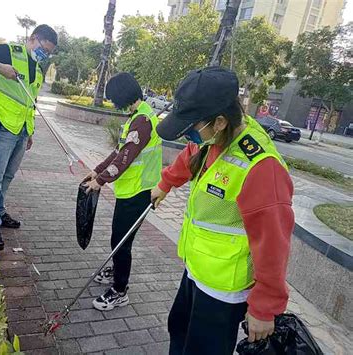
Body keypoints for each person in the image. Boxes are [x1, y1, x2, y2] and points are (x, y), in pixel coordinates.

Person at [151, 67, 294, 355]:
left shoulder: (261, 167)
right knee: (178, 331)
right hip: (196, 269)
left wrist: (264, 306)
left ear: (219, 121)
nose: (188, 136)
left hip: (224, 289)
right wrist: (165, 184)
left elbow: (273, 243)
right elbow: (191, 154)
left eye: (192, 128)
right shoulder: (213, 137)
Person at [0, 25, 57, 250]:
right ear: (33, 39)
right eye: (44, 49)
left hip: (22, 131)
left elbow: (29, 103)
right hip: (4, 128)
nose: (45, 55)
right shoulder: (8, 52)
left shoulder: (39, 70)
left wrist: (30, 131)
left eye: (49, 53)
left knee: (8, 177)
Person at [84, 73, 162, 311]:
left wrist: (102, 180)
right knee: (121, 238)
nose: (113, 103)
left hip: (139, 192)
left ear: (122, 95)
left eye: (113, 98)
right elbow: (119, 151)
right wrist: (97, 171)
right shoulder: (137, 116)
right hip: (131, 190)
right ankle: (116, 270)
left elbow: (126, 157)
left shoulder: (143, 121)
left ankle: (120, 290)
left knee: (121, 241)